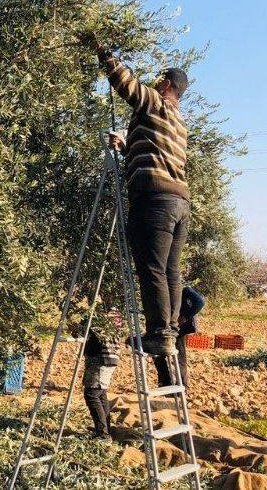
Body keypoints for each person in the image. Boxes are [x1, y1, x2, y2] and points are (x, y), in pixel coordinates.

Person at [82, 33, 191, 358]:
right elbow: (157, 154)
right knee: (170, 270)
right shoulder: (178, 122)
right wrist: (128, 147)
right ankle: (168, 332)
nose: (155, 82)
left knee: (152, 269)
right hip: (179, 203)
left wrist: (101, 50)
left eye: (160, 79)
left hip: (155, 201)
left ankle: (158, 334)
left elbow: (126, 84)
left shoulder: (156, 103)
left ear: (168, 84)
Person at [76, 308, 123, 439]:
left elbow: (85, 330)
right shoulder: (116, 312)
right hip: (111, 357)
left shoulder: (100, 312)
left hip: (100, 357)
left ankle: (103, 434)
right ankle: (105, 429)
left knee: (92, 393)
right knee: (101, 393)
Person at [154, 285, 205, 387]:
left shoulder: (185, 290)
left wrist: (185, 317)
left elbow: (200, 302)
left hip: (180, 327)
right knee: (160, 352)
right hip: (169, 326)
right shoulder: (164, 291)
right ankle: (167, 382)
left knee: (176, 354)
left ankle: (180, 384)